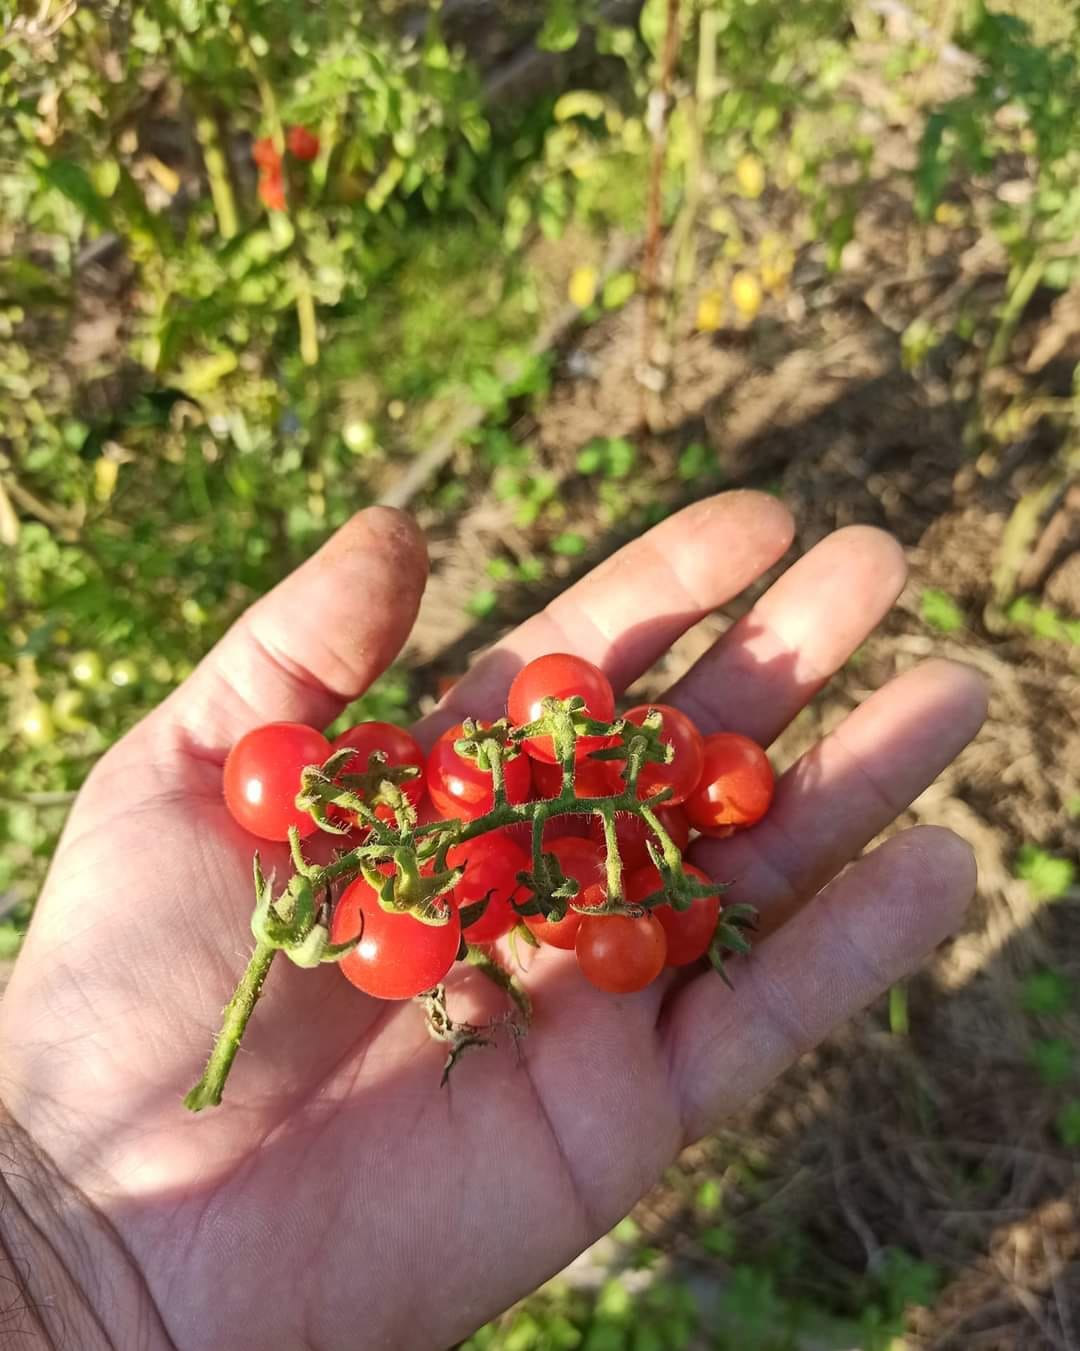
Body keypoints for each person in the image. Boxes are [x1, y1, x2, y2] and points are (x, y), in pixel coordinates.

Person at [0, 492, 986, 1350]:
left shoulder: (497, 841)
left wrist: (67, 1262)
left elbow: (524, 847)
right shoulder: (445, 845)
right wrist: (57, 1244)